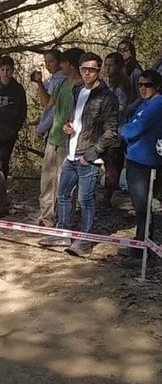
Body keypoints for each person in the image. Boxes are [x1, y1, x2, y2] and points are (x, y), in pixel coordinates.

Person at [39, 52, 119, 257]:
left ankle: (85, 240)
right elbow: (73, 116)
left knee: (86, 199)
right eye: (84, 69)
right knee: (63, 194)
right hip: (71, 152)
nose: (87, 73)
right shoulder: (76, 89)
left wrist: (92, 154)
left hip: (89, 156)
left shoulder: (107, 96)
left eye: (92, 69)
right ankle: (62, 232)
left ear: (98, 70)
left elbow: (112, 131)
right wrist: (68, 126)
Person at [118, 69, 162, 267]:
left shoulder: (157, 104)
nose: (143, 88)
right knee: (140, 207)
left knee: (142, 207)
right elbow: (132, 121)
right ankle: (140, 245)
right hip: (137, 158)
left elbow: (134, 128)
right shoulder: (145, 103)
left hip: (144, 161)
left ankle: (142, 252)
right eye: (141, 85)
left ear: (157, 87)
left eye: (148, 85)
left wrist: (123, 130)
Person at [36, 48, 84, 227]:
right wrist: (39, 84)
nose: (60, 65)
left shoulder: (80, 88)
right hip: (53, 138)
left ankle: (65, 220)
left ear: (71, 65)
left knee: (66, 184)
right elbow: (48, 103)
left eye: (63, 62)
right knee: (47, 181)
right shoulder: (63, 83)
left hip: (69, 142)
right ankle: (46, 217)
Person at [99, 52, 134, 208]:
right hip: (100, 130)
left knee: (112, 166)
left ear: (118, 67)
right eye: (106, 65)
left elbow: (121, 109)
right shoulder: (104, 83)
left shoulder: (122, 88)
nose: (108, 68)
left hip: (115, 132)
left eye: (111, 65)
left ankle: (107, 197)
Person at [30, 49, 65, 138]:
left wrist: (41, 128)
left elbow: (49, 105)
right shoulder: (53, 79)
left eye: (51, 61)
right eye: (46, 62)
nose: (48, 65)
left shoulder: (61, 80)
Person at [118, 39, 143, 110]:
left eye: (125, 50)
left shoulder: (136, 72)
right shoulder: (116, 70)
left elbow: (140, 96)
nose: (122, 53)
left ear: (131, 52)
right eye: (120, 50)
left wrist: (129, 108)